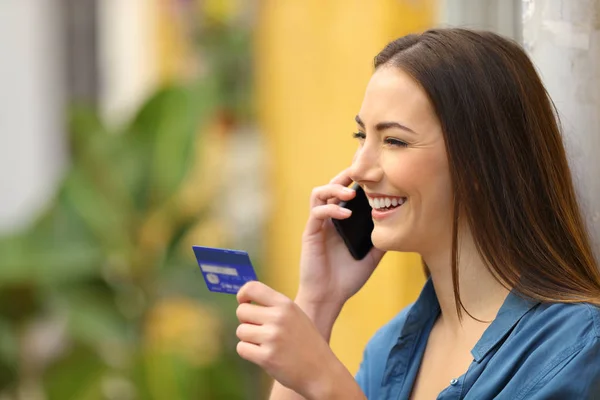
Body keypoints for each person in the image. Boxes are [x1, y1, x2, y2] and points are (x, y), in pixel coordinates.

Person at [234, 28, 600, 399]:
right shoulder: (392, 348)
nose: (360, 168)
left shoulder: (576, 347)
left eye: (394, 140)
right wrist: (318, 301)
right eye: (362, 137)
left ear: (478, 162)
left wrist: (325, 382)